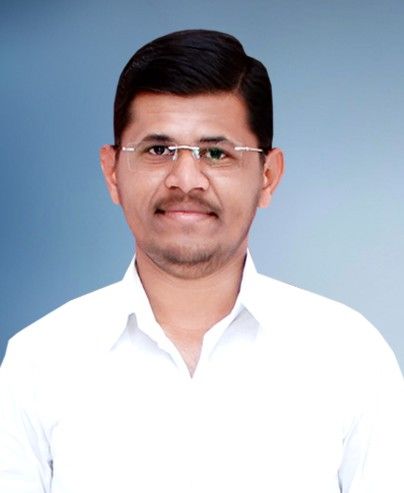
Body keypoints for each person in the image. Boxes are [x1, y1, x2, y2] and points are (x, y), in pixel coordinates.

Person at [0, 29, 403, 493]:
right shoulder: (39, 362)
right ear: (112, 173)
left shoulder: (349, 357)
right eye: (158, 150)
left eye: (216, 153)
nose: (185, 179)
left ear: (268, 176)